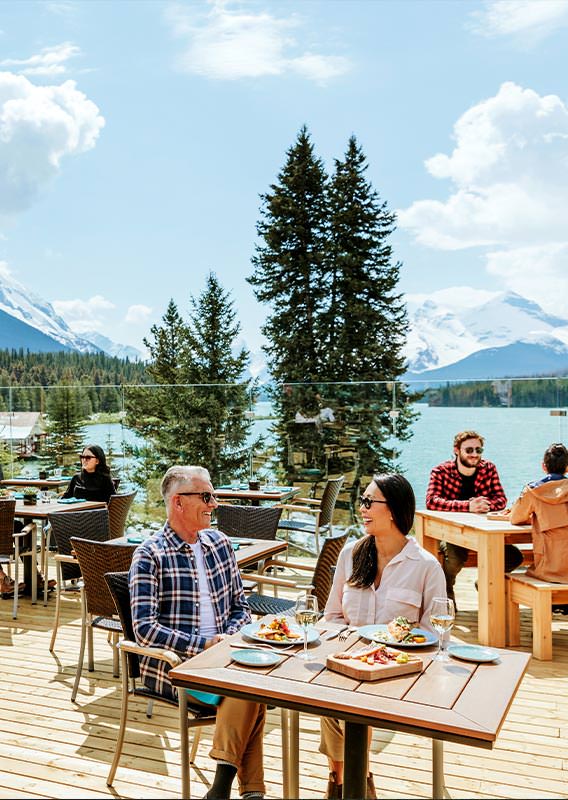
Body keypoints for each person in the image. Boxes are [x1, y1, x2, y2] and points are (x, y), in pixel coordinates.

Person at [129, 465, 265, 800]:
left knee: (252, 680)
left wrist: (228, 640)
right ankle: (233, 790)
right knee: (248, 685)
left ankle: (239, 792)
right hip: (176, 667)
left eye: (213, 495)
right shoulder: (150, 555)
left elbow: (240, 606)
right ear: (178, 503)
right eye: (206, 496)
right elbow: (144, 630)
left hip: (224, 658)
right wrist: (205, 644)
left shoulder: (219, 543)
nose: (214, 504)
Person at [321, 473, 446, 800]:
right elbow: (331, 617)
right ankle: (355, 782)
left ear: (392, 510)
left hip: (400, 672)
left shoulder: (425, 567)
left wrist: (396, 656)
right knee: (330, 695)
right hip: (350, 662)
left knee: (340, 704)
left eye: (367, 502)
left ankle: (342, 783)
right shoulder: (351, 554)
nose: (361, 508)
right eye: (361, 501)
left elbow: (434, 634)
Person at [426, 430, 523, 605]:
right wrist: (467, 506)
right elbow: (432, 501)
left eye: (478, 450)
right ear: (457, 450)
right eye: (469, 450)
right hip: (452, 533)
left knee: (514, 557)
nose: (474, 454)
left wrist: (486, 505)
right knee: (456, 558)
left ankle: (485, 583)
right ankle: (446, 592)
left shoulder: (489, 468)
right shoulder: (440, 471)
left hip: (483, 533)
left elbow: (501, 499)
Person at [510, 442, 568, 613]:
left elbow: (516, 518)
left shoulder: (534, 491)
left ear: (543, 466)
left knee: (514, 575)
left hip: (548, 570)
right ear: (566, 467)